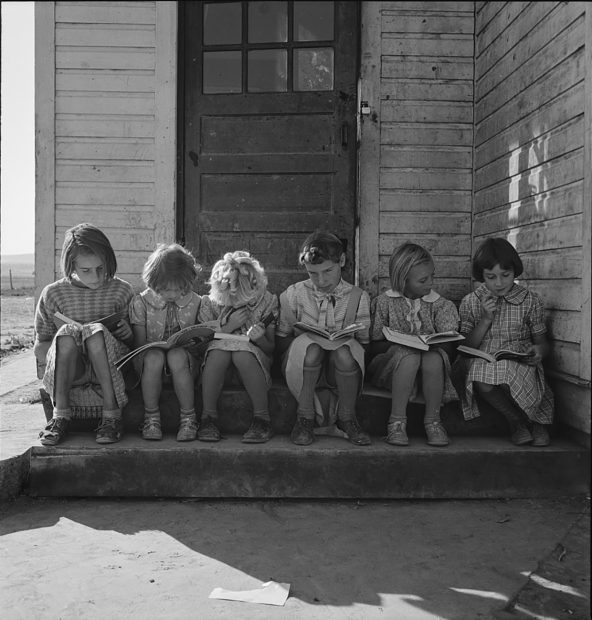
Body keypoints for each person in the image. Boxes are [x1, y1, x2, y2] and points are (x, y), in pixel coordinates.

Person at [35, 223, 134, 445]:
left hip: (109, 363)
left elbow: (136, 344)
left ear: (108, 260)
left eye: (101, 268)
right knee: (68, 332)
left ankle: (112, 416)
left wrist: (127, 334)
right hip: (73, 367)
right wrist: (61, 346)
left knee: (94, 331)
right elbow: (40, 346)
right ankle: (60, 416)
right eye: (86, 270)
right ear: (71, 266)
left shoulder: (122, 290)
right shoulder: (53, 294)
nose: (96, 277)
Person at [454, 237, 554, 446]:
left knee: (514, 371)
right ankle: (516, 421)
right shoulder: (472, 302)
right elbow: (464, 348)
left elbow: (542, 343)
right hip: (483, 358)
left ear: (514, 271)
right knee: (481, 375)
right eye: (491, 277)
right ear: (481, 275)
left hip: (519, 359)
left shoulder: (529, 300)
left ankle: (536, 422)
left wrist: (539, 351)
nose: (498, 283)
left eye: (505, 275)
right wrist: (486, 319)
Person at [276, 231, 372, 446]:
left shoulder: (358, 297)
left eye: (328, 270)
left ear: (343, 261)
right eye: (313, 273)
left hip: (340, 370)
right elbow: (281, 340)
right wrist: (309, 338)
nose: (321, 280)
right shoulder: (293, 294)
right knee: (312, 348)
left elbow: (365, 345)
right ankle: (305, 417)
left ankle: (347, 417)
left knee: (345, 352)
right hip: (301, 366)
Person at [368, 243, 459, 447]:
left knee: (433, 357)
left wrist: (429, 346)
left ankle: (433, 421)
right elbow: (373, 347)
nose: (430, 283)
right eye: (423, 280)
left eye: (432, 277)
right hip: (393, 368)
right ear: (403, 280)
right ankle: (396, 422)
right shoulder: (384, 303)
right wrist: (402, 344)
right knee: (409, 356)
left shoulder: (440, 305)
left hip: (430, 370)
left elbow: (449, 348)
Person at [197, 251, 278, 443]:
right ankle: (208, 417)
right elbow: (201, 345)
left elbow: (270, 348)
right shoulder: (209, 303)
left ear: (255, 287)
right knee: (218, 352)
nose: (237, 303)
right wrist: (228, 327)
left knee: (241, 354)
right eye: (231, 297)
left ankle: (262, 418)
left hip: (253, 364)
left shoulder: (267, 301)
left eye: (244, 299)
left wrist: (260, 339)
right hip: (218, 368)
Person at [129, 244, 203, 441]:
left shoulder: (197, 302)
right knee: (154, 356)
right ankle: (151, 418)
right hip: (150, 367)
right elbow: (140, 345)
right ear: (153, 283)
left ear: (187, 282)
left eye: (178, 289)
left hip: (184, 365)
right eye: (164, 289)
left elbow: (200, 342)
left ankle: (189, 418)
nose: (171, 294)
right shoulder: (141, 302)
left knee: (176, 355)